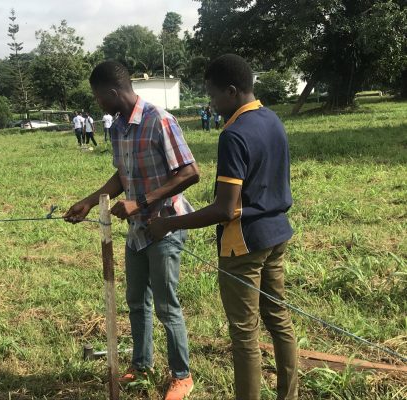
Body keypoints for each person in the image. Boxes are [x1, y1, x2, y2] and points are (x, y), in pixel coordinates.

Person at [149, 54, 298, 400]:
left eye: (213, 96)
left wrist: (169, 224)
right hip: (276, 236)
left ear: (232, 92)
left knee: (245, 334)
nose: (212, 104)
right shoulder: (272, 119)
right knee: (279, 320)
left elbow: (224, 208)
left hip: (243, 244)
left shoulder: (234, 133)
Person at [64, 60, 199, 400]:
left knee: (167, 305)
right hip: (137, 232)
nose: (98, 105)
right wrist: (91, 201)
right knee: (137, 301)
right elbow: (121, 176)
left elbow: (189, 173)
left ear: (112, 92)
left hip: (164, 226)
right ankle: (142, 365)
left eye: (98, 98)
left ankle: (181, 375)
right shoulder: (118, 127)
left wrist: (141, 202)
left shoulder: (159, 120)